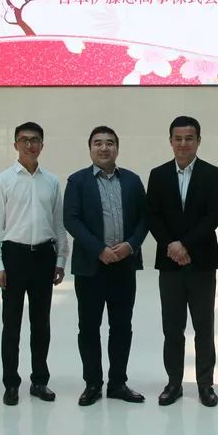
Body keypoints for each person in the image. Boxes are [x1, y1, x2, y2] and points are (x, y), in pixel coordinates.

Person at [63, 125, 148, 406]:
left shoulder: (132, 181)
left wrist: (130, 245)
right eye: (98, 143)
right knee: (88, 327)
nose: (104, 147)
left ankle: (118, 383)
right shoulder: (77, 181)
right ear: (90, 148)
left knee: (121, 326)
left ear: (117, 148)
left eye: (109, 143)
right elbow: (71, 219)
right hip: (91, 267)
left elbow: (144, 219)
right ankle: (92, 384)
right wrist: (99, 249)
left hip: (124, 266)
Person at [0, 122, 70, 406]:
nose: (29, 145)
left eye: (35, 140)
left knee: (41, 323)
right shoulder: (2, 181)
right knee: (11, 324)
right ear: (15, 145)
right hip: (14, 256)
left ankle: (39, 380)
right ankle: (11, 383)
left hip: (44, 256)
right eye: (24, 140)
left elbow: (59, 224)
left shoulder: (52, 182)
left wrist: (60, 259)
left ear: (42, 145)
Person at [146, 115, 218, 407]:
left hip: (201, 262)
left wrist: (185, 244)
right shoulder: (158, 174)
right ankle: (174, 383)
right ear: (170, 141)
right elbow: (152, 215)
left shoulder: (212, 174)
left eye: (189, 138)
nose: (183, 143)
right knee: (172, 328)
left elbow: (212, 216)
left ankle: (205, 384)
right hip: (170, 264)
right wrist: (171, 245)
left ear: (198, 141)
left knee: (204, 327)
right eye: (178, 138)